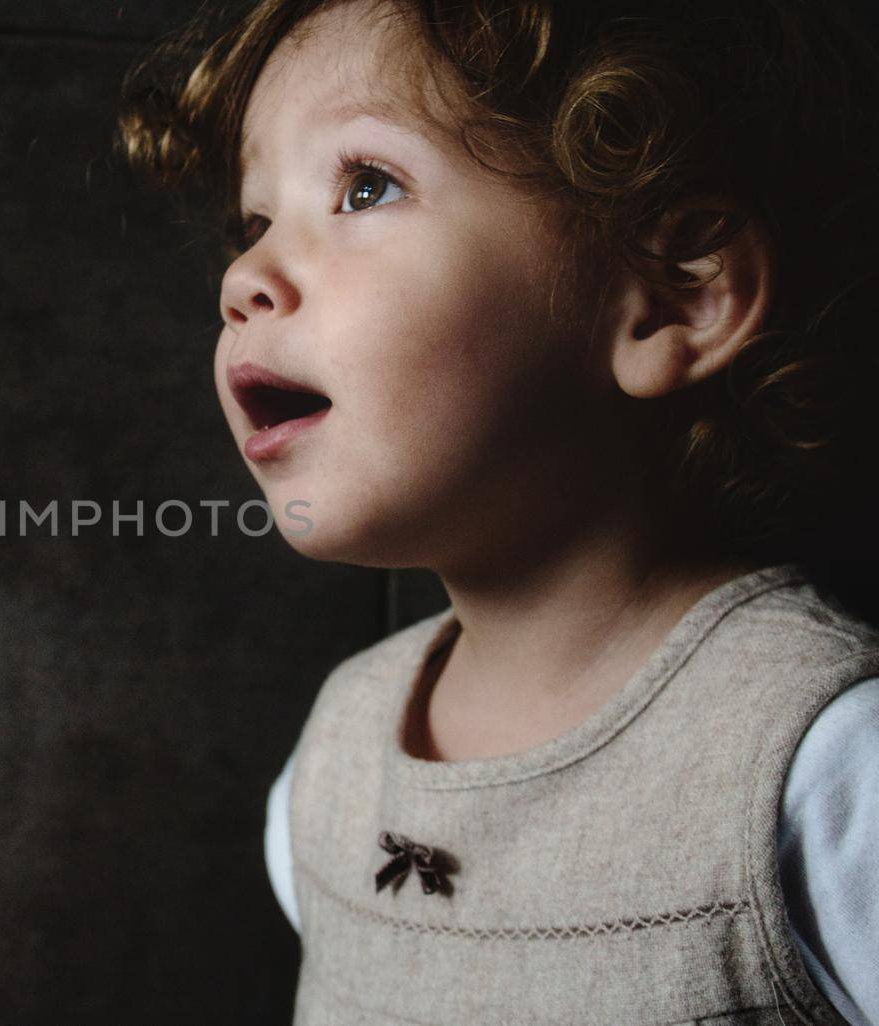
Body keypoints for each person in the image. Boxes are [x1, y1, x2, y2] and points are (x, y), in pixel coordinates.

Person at [117, 1, 879, 1022]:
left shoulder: (821, 767)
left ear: (671, 297)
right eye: (255, 225)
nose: (244, 280)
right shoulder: (332, 763)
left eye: (364, 187)